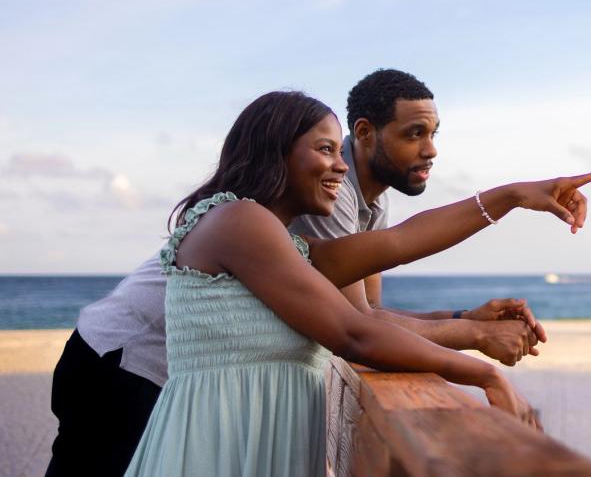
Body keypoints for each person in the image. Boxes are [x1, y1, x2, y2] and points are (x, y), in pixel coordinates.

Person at [46, 72, 543, 477]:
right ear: (276, 151)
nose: (340, 166)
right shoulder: (242, 221)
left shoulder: (293, 246)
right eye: (325, 150)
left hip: (224, 410)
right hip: (125, 365)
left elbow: (396, 250)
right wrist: (481, 367)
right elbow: (354, 331)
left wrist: (512, 197)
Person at [291, 69, 546, 366]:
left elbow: (372, 308)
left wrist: (463, 317)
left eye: (433, 133)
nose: (431, 150)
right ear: (364, 132)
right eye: (415, 133)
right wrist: (476, 335)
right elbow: (360, 320)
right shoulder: (331, 190)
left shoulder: (376, 199)